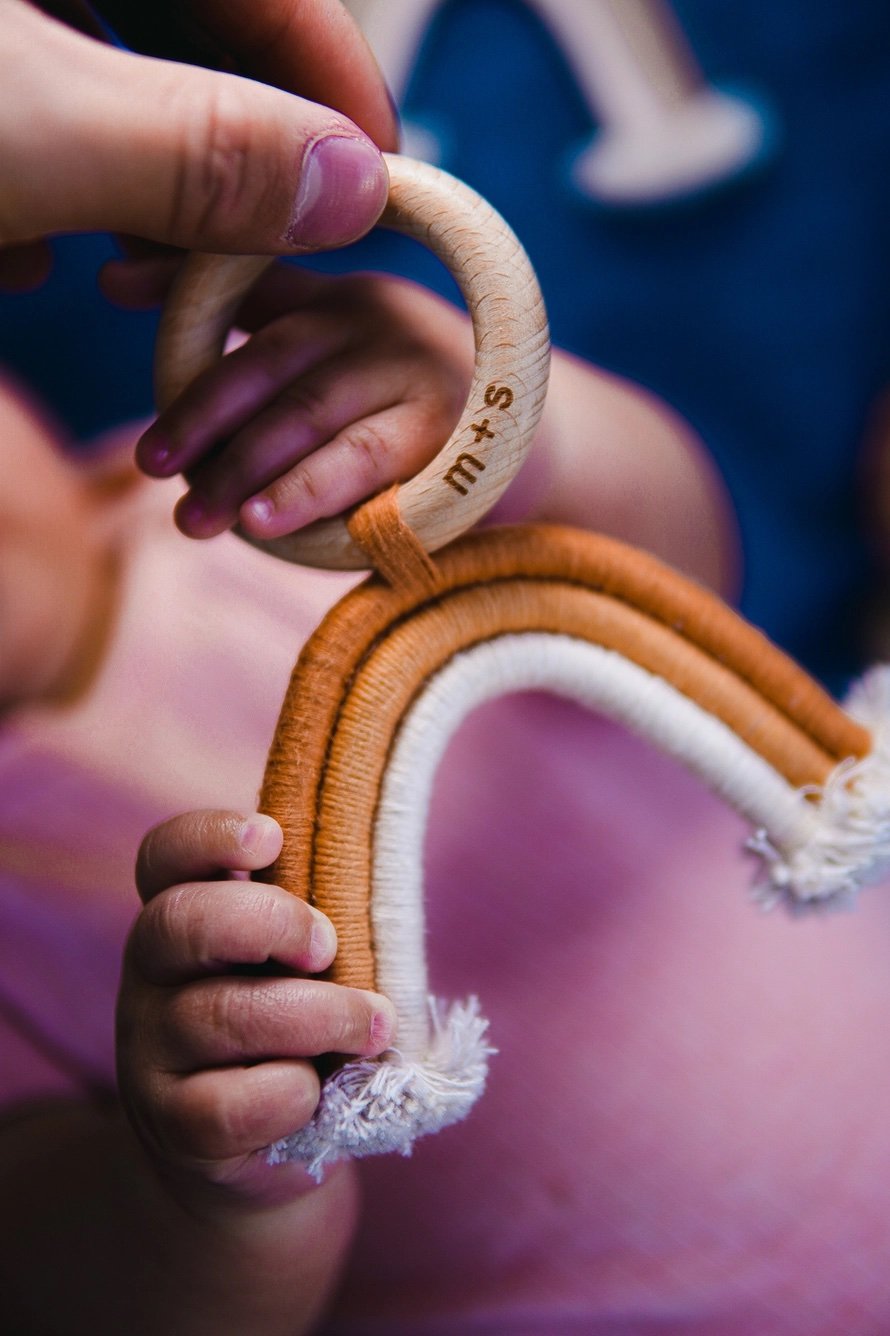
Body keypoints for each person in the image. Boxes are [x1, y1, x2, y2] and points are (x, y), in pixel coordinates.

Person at [0, 253, 737, 1331]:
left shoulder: (278, 458)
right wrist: (196, 1190)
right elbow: (75, 1285)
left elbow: (690, 583)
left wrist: (509, 428)